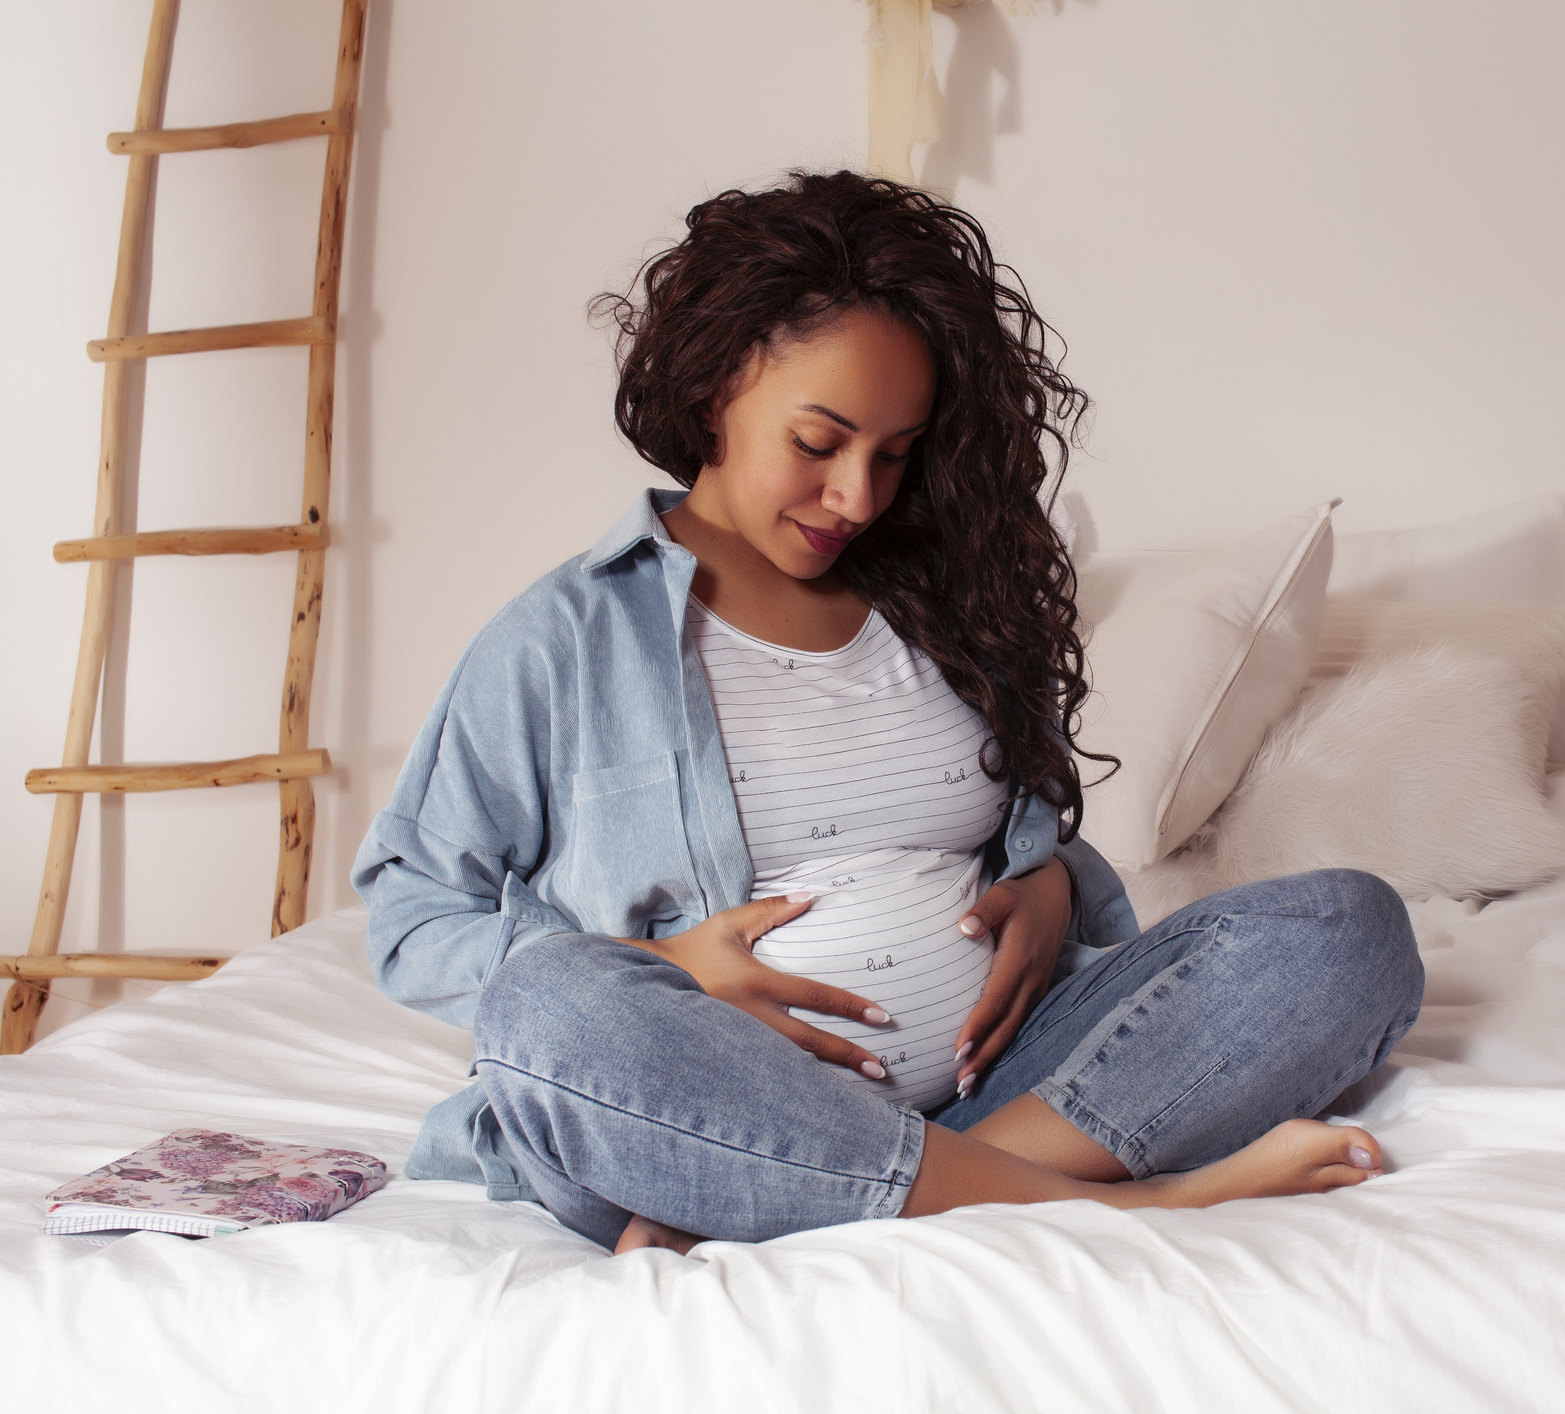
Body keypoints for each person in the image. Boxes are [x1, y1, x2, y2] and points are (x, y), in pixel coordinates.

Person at [353, 171, 1424, 1254]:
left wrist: (1052, 887)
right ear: (717, 384)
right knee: (552, 1017)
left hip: (1000, 1084)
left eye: (894, 455)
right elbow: (410, 914)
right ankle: (1118, 1205)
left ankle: (844, 1192)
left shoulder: (946, 607)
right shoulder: (564, 636)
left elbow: (1018, 839)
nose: (858, 497)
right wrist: (669, 972)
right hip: (705, 1105)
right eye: (819, 444)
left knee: (1348, 929)